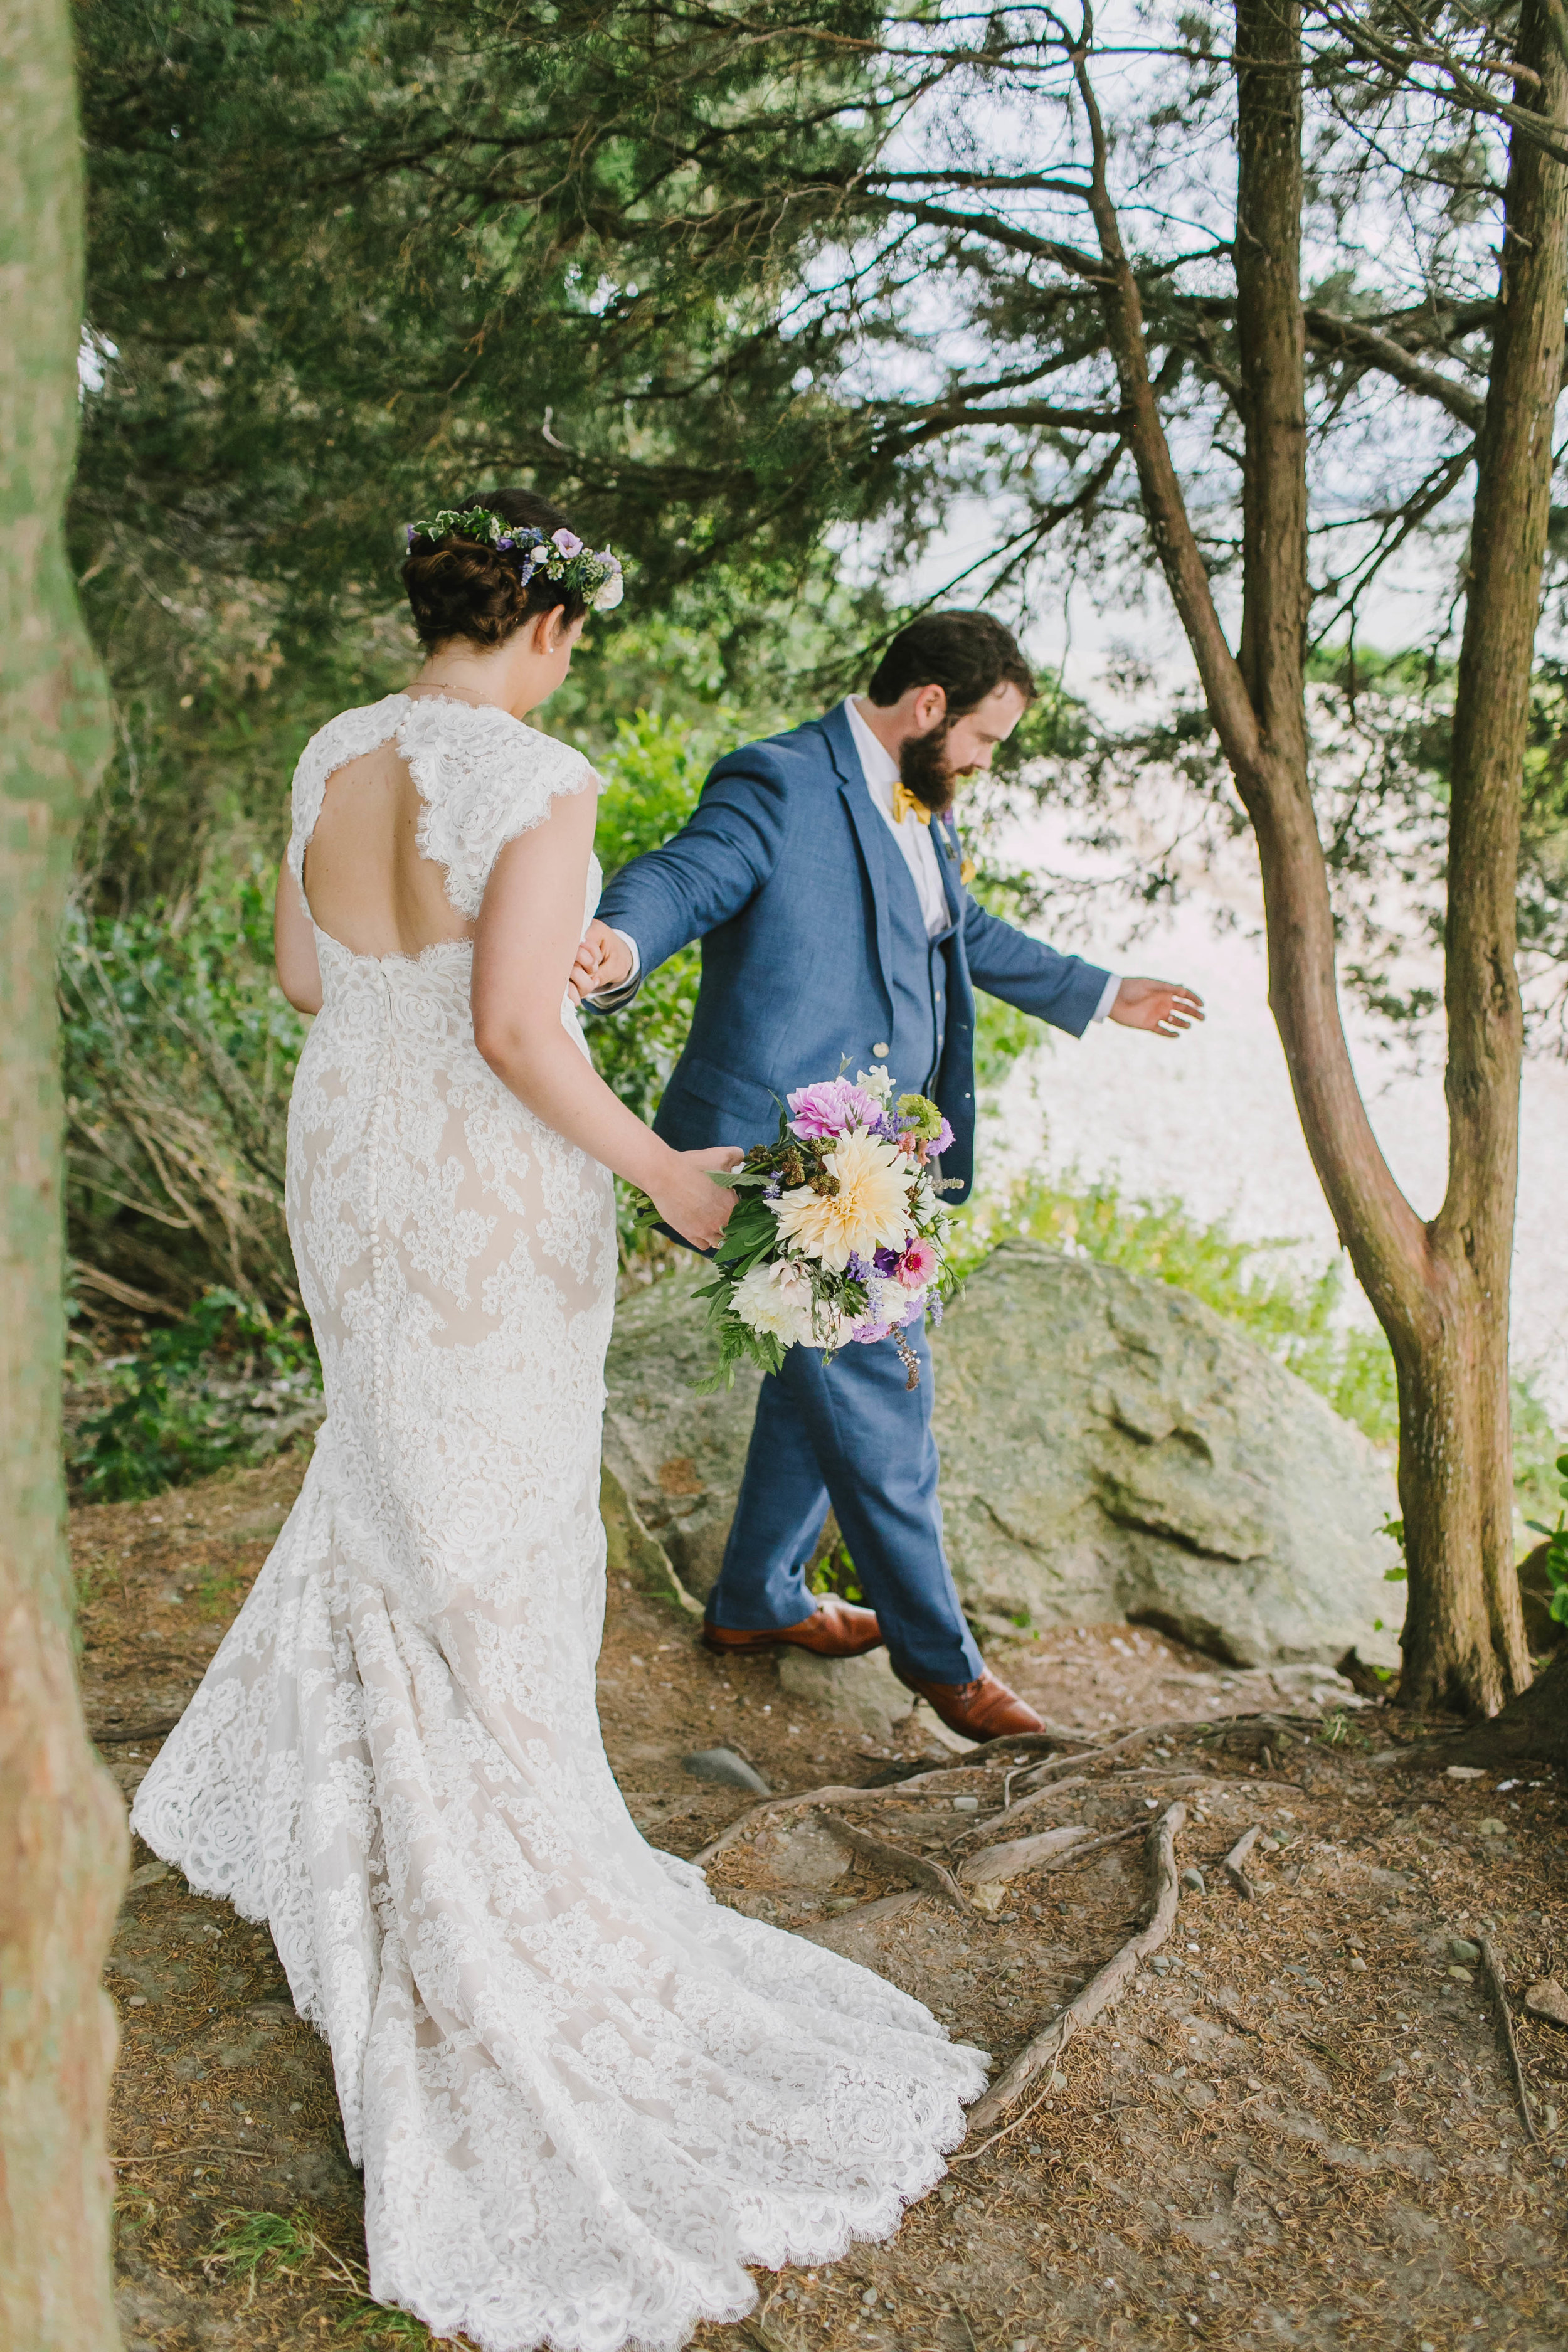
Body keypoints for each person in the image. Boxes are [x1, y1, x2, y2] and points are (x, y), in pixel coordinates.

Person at [129, 493, 988, 2352]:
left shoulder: (332, 746)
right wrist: (668, 1175)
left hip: (343, 1155)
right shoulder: (535, 771)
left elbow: (304, 979)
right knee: (496, 1508)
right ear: (549, 629)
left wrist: (414, 1008)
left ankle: (395, 1794)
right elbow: (523, 1030)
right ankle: (488, 1843)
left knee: (396, 1476)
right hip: (479, 1177)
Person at [585, 613, 1204, 1741]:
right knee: (882, 1396)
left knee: (810, 1377)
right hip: (776, 1162)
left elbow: (954, 927)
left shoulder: (924, 803)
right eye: (984, 736)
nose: (984, 759)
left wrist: (1102, 989)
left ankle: (755, 1600)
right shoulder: (778, 778)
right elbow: (687, 874)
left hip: (881, 1158)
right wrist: (617, 945)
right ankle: (946, 1668)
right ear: (928, 707)